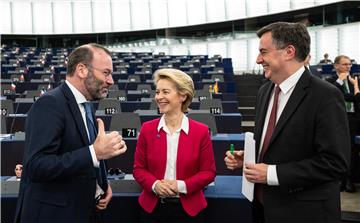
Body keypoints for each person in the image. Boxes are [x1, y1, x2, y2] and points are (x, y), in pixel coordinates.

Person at [224, 22, 350, 223]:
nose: (258, 60)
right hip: (263, 210)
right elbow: (275, 145)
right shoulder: (264, 91)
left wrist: (271, 173)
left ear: (289, 52)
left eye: (263, 52)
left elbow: (335, 163)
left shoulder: (326, 95)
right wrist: (250, 158)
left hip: (304, 213)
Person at [14, 43, 127, 223]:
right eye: (106, 73)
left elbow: (83, 152)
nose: (111, 80)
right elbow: (36, 166)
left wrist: (101, 184)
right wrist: (94, 153)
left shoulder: (86, 104)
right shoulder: (50, 104)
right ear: (81, 70)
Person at [133, 68, 216, 223]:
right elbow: (138, 169)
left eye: (165, 92)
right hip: (152, 209)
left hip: (189, 211)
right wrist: (155, 184)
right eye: (157, 92)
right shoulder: (147, 129)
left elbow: (208, 173)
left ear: (182, 96)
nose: (159, 97)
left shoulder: (201, 131)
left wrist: (181, 185)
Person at [326, 55, 359, 193]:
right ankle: (341, 180)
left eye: (349, 64)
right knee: (339, 150)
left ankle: (350, 180)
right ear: (336, 66)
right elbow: (332, 95)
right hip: (338, 120)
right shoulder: (331, 81)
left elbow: (357, 99)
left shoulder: (355, 81)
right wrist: (340, 81)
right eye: (345, 64)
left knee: (352, 151)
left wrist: (354, 87)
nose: (348, 67)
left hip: (354, 120)